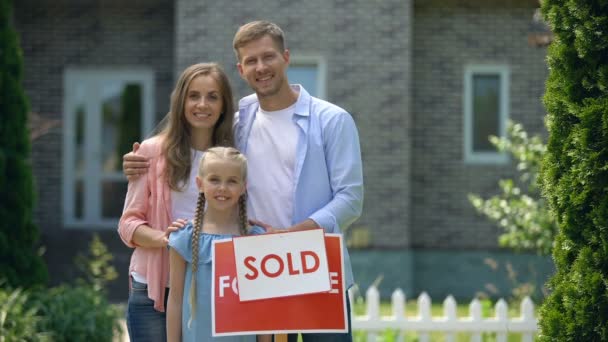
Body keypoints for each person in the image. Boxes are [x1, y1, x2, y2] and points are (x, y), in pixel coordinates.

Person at [124, 20, 363, 341]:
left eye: (268, 57)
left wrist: (292, 235)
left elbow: (350, 199)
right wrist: (140, 158)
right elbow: (188, 132)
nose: (261, 67)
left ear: (286, 57)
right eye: (251, 61)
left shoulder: (332, 120)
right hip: (253, 269)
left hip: (312, 262)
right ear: (240, 68)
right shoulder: (240, 120)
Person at [118, 62, 236, 342]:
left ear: (223, 105)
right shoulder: (151, 152)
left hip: (209, 291)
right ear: (181, 101)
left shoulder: (233, 158)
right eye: (194, 96)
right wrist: (166, 238)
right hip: (155, 291)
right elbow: (128, 224)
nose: (202, 105)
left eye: (212, 97)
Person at [167, 147, 265, 342]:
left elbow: (262, 305)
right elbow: (175, 300)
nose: (222, 187)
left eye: (232, 181)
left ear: (243, 187)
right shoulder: (184, 237)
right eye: (214, 179)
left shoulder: (256, 239)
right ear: (199, 183)